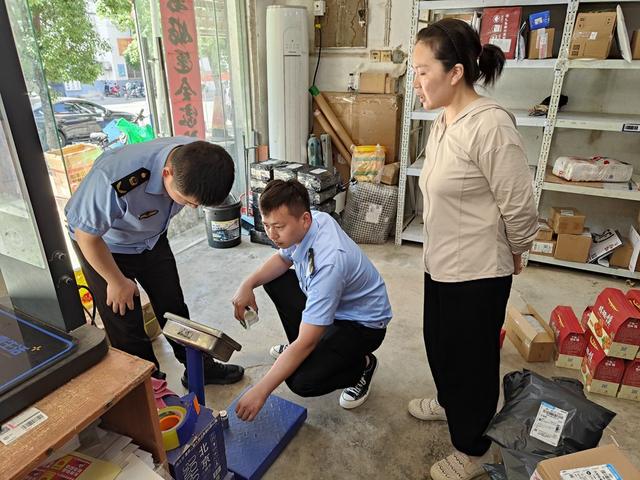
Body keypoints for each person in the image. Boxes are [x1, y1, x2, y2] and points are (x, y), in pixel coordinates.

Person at [407, 19, 538, 480]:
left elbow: (519, 204)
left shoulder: (490, 125)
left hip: (478, 272)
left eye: (423, 71)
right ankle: (450, 403)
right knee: (439, 345)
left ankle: (475, 448)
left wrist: (518, 249)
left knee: (472, 362)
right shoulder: (444, 119)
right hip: (441, 263)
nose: (416, 81)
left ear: (456, 72)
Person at [65, 137, 244, 385]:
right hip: (104, 245)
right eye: (188, 201)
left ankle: (199, 368)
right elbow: (87, 236)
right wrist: (116, 281)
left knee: (173, 305)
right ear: (166, 173)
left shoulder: (199, 158)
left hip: (151, 238)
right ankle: (150, 387)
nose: (192, 208)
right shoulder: (115, 178)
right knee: (125, 322)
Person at [231, 179, 392, 421]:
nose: (272, 235)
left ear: (304, 219)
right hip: (335, 307)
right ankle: (305, 351)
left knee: (300, 380)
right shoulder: (313, 221)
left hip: (362, 325)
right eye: (266, 225)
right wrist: (248, 284)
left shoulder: (329, 264)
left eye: (279, 227)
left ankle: (363, 365)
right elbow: (283, 259)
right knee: (275, 280)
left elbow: (307, 342)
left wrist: (260, 391)